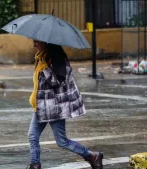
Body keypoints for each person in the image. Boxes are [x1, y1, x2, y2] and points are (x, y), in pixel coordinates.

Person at [27, 41, 103, 169]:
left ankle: (92, 155)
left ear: (45, 42)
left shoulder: (58, 59)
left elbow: (56, 82)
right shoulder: (43, 56)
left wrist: (44, 67)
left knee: (62, 142)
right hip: (42, 107)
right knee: (32, 136)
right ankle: (35, 165)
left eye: (36, 42)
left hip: (54, 108)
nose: (34, 45)